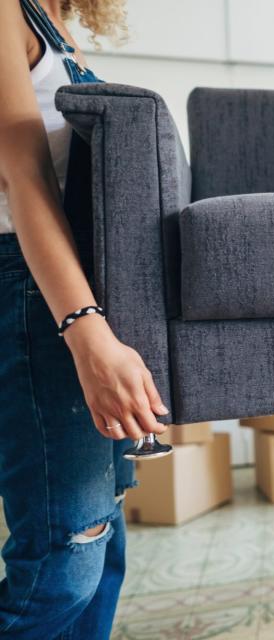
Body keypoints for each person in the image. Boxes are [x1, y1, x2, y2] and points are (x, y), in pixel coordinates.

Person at [0, 1, 169, 637]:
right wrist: (87, 332)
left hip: (76, 292)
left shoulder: (50, 19)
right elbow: (21, 179)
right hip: (36, 293)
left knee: (101, 554)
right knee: (61, 566)